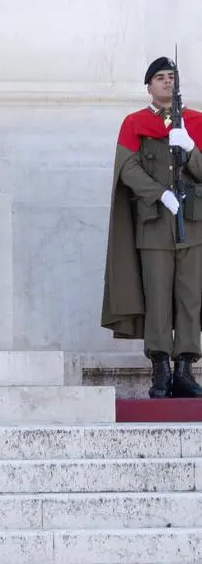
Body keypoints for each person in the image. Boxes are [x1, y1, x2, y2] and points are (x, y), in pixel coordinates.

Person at [101, 56, 202, 399]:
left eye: (171, 77)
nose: (166, 82)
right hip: (155, 224)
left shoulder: (195, 122)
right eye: (159, 77)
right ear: (149, 86)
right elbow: (127, 169)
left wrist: (189, 148)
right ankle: (160, 370)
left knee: (190, 298)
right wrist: (159, 194)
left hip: (193, 224)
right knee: (157, 296)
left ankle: (185, 370)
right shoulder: (135, 123)